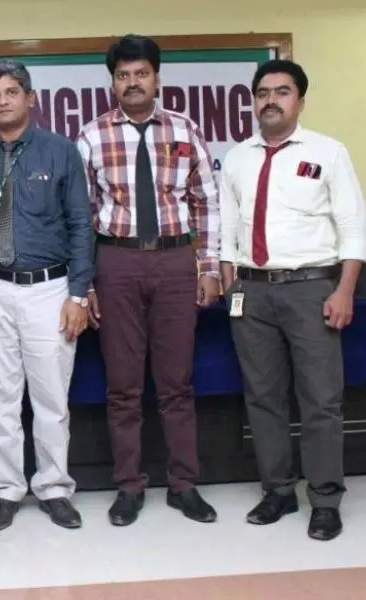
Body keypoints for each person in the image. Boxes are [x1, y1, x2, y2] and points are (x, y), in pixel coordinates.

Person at [219, 59, 366, 541]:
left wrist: (344, 290)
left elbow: (353, 227)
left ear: (300, 101)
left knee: (320, 400)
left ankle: (324, 500)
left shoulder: (328, 152)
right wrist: (232, 284)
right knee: (263, 398)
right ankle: (278, 491)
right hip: (252, 293)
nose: (271, 100)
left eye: (281, 92)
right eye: (263, 92)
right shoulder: (237, 157)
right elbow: (227, 229)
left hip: (312, 289)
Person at [75, 34, 220, 526]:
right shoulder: (91, 136)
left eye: (141, 73)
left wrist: (209, 266)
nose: (132, 82)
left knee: (177, 383)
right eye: (123, 75)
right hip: (116, 264)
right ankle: (129, 486)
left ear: (157, 78)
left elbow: (206, 201)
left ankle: (184, 485)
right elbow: (81, 217)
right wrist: (86, 285)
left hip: (176, 262)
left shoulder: (184, 128)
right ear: (112, 82)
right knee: (123, 385)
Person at [0, 59, 94, 531]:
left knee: (51, 397)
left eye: (12, 92)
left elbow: (81, 226)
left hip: (49, 290)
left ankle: (54, 488)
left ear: (30, 98)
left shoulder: (61, 152)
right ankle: (6, 491)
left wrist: (78, 295)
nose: (3, 101)